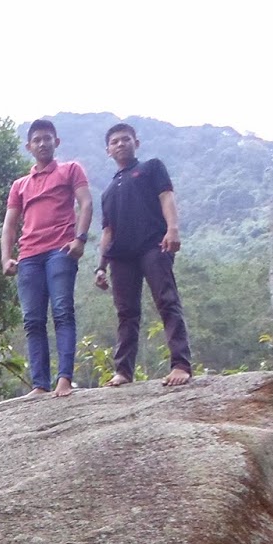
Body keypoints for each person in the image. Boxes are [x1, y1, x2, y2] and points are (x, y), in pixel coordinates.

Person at [93, 123, 194, 387]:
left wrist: (172, 229)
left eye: (126, 139)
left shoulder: (151, 168)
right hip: (121, 256)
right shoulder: (108, 191)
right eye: (114, 141)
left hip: (153, 245)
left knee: (166, 300)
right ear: (108, 150)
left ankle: (181, 364)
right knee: (126, 313)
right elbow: (107, 231)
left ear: (136, 143)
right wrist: (100, 266)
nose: (120, 144)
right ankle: (123, 371)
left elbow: (166, 197)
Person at [1, 119, 92, 398]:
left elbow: (86, 202)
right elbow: (9, 224)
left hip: (60, 251)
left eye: (47, 138)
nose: (42, 143)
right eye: (37, 140)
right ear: (29, 146)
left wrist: (80, 239)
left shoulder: (70, 170)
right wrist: (6, 257)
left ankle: (64, 380)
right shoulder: (20, 185)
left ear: (57, 142)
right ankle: (40, 384)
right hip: (29, 256)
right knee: (32, 320)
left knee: (63, 312)